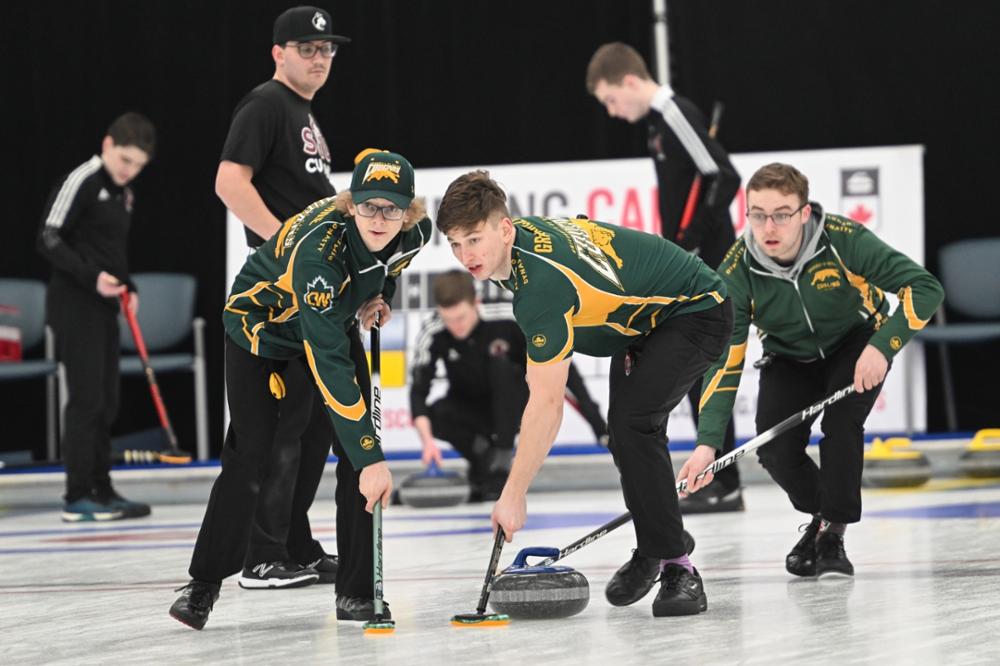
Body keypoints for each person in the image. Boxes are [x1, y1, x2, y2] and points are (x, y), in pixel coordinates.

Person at [436, 171, 733, 617]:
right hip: (642, 323)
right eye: (455, 244)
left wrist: (513, 492)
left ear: (505, 228)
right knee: (625, 430)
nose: (466, 256)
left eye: (474, 239)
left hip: (695, 310)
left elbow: (548, 405)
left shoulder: (539, 286)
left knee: (634, 424)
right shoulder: (516, 250)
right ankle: (657, 542)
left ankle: (679, 568)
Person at [169, 150, 431, 630]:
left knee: (355, 453)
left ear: (409, 212)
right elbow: (328, 361)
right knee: (253, 455)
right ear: (350, 205)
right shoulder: (320, 253)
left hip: (326, 322)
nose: (379, 218)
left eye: (391, 208)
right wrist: (372, 460)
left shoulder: (415, 235)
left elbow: (388, 270)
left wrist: (379, 298)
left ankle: (356, 594)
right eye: (369, 205)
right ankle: (204, 583)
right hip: (260, 331)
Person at [679, 163, 944, 578]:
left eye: (782, 213)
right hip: (788, 357)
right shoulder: (736, 270)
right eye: (758, 214)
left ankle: (833, 535)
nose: (769, 226)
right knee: (775, 450)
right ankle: (822, 519)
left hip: (856, 344)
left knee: (841, 427)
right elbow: (722, 364)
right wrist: (707, 445)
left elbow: (926, 288)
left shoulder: (843, 240)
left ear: (804, 213)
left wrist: (882, 346)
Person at [214, 5, 350, 589]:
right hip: (282, 297)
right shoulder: (266, 104)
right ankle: (262, 555)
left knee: (314, 426)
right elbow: (228, 181)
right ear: (279, 53)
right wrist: (288, 243)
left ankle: (293, 542)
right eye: (307, 49)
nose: (319, 59)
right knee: (284, 428)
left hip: (311, 294)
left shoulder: (303, 111)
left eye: (327, 51)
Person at [586, 42, 743, 514]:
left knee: (704, 366)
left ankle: (725, 481)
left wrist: (690, 242)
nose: (614, 113)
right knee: (693, 369)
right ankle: (718, 477)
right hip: (686, 261)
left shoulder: (675, 114)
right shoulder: (658, 125)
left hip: (706, 262)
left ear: (630, 81)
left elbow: (723, 176)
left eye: (612, 100)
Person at [37, 112, 156, 522]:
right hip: (74, 302)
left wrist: (129, 287)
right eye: (125, 160)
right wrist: (93, 278)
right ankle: (77, 494)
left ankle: (102, 489)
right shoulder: (84, 178)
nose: (129, 172)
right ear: (107, 145)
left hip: (105, 306)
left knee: (107, 400)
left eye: (138, 166)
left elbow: (111, 252)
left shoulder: (124, 193)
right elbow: (48, 237)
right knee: (86, 398)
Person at [410, 270, 609, 501]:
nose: (455, 327)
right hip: (471, 408)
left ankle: (502, 460)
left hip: (514, 405)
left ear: (476, 302)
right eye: (448, 320)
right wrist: (427, 444)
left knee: (502, 368)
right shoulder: (433, 331)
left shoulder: (508, 316)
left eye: (461, 318)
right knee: (435, 414)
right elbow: (418, 390)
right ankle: (486, 464)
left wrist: (598, 426)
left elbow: (563, 371)